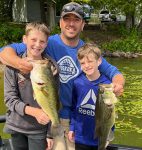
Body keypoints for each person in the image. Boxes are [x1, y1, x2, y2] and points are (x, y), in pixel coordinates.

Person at [0, 2, 125, 150]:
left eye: (76, 20)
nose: (71, 24)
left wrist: (118, 84)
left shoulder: (86, 52)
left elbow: (114, 72)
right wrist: (21, 64)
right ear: (60, 23)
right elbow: (5, 52)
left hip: (75, 119)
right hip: (53, 116)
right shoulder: (45, 42)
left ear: (83, 25)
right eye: (67, 19)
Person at [3, 22, 56, 150]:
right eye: (33, 40)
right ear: (24, 39)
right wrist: (34, 112)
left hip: (38, 130)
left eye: (42, 41)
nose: (37, 45)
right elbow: (9, 99)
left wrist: (50, 134)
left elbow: (53, 103)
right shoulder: (12, 65)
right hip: (16, 126)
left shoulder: (51, 68)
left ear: (46, 44)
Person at [68, 43, 115, 150]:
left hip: (100, 137)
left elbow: (111, 113)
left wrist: (109, 133)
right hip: (81, 137)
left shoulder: (107, 85)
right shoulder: (77, 83)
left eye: (90, 61)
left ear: (99, 61)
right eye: (83, 63)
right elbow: (74, 107)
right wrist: (72, 127)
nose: (87, 65)